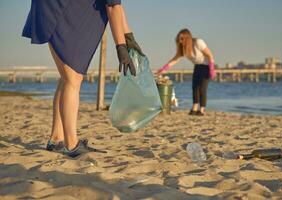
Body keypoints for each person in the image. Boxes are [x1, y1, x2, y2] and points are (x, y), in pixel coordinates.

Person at [22, 0, 144, 157]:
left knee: (68, 77)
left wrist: (129, 39)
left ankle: (56, 139)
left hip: (65, 8)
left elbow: (117, 5)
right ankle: (72, 145)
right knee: (72, 80)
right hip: (57, 9)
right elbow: (113, 7)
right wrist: (121, 47)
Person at [157, 29, 216, 116]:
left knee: (202, 89)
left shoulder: (198, 42)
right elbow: (175, 59)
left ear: (187, 38)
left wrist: (212, 69)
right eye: (179, 40)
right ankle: (194, 108)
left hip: (206, 66)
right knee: (195, 88)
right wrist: (164, 68)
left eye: (182, 39)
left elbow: (210, 55)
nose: (180, 42)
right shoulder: (184, 49)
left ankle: (202, 110)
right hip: (197, 66)